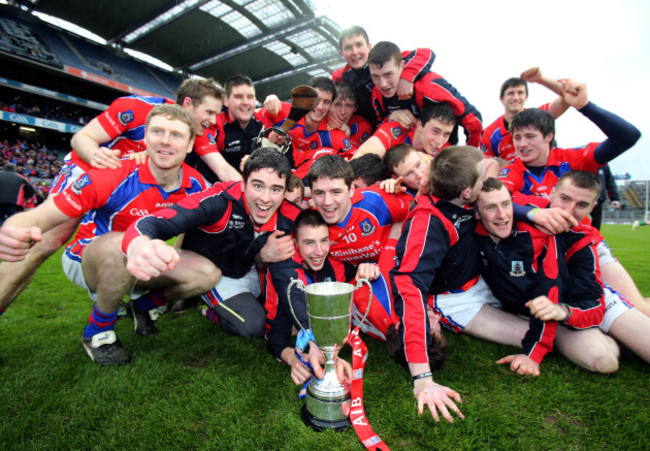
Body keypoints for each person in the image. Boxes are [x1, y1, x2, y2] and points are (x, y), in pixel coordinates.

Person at [0, 77, 239, 324]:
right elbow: (81, 139)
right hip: (92, 170)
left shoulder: (195, 131)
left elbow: (223, 171)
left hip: (128, 185)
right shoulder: (135, 108)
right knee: (46, 240)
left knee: (128, 240)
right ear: (188, 103)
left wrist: (252, 193)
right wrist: (103, 160)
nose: (213, 120)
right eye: (210, 111)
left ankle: (116, 293)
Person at [0, 105, 215, 364]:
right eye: (158, 131)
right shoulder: (112, 174)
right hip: (89, 258)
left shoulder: (196, 185)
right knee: (123, 244)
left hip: (140, 262)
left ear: (191, 144)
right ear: (145, 136)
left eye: (176, 135)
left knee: (208, 273)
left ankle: (142, 308)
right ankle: (98, 332)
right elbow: (39, 215)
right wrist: (13, 227)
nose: (165, 141)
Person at [122, 148, 301, 338]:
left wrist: (263, 257)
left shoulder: (290, 213)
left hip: (250, 268)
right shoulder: (217, 201)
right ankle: (187, 305)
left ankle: (193, 299)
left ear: (283, 192)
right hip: (218, 273)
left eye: (275, 189)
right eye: (258, 186)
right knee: (255, 326)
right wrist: (140, 244)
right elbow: (150, 223)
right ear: (243, 184)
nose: (266, 198)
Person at [474, 178, 620, 375]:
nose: (568, 210)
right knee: (603, 358)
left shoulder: (579, 241)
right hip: (543, 310)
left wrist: (562, 314)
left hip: (579, 306)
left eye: (581, 205)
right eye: (565, 199)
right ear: (551, 194)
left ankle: (611, 335)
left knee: (605, 360)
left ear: (592, 208)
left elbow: (557, 293)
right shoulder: (527, 217)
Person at [307, 154, 412, 340]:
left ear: (351, 189)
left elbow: (417, 214)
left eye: (336, 192)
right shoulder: (312, 226)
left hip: (398, 262)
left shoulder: (377, 201)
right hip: (362, 275)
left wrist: (391, 252)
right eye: (319, 193)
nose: (327, 202)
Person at [264, 209, 374, 384]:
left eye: (324, 241)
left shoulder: (335, 261)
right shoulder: (283, 270)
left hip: (314, 325)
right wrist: (293, 358)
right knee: (251, 326)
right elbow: (275, 334)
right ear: (296, 243)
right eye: (309, 243)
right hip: (277, 313)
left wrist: (369, 267)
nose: (319, 251)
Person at [499, 79, 641, 198]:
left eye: (530, 136)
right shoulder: (512, 170)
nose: (522, 144)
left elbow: (628, 137)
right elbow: (499, 200)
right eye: (517, 137)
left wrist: (586, 107)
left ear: (549, 136)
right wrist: (537, 211)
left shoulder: (571, 160)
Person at [368, 41, 482, 147]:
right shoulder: (377, 94)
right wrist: (390, 117)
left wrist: (469, 155)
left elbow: (473, 120)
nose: (382, 84)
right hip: (404, 155)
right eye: (375, 76)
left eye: (388, 74)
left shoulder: (428, 87)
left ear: (402, 66)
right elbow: (378, 126)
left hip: (441, 154)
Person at [332, 25, 435, 127]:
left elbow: (425, 53)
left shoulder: (384, 60)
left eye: (359, 45)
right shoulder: (340, 76)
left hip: (401, 121)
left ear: (369, 47)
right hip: (365, 128)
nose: (355, 52)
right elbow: (325, 95)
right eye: (348, 48)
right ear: (342, 54)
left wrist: (406, 78)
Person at [262, 77, 352, 179]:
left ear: (331, 105)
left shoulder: (335, 135)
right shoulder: (284, 111)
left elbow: (352, 161)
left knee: (328, 154)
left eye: (326, 102)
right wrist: (270, 134)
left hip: (301, 183)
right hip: (272, 169)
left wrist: (347, 133)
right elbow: (254, 117)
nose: (320, 106)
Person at [188, 74, 266, 183]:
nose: (245, 102)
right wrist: (251, 193)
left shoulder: (262, 123)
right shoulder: (212, 123)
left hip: (247, 185)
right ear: (226, 101)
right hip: (209, 187)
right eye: (238, 97)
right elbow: (222, 170)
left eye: (250, 97)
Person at [481, 67, 569, 161]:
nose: (515, 97)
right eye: (511, 93)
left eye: (520, 93)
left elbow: (567, 96)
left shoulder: (538, 117)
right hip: (511, 173)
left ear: (526, 97)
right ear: (502, 99)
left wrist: (541, 79)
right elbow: (487, 166)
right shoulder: (489, 133)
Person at [353, 103, 457, 160]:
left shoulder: (446, 150)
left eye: (446, 134)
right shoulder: (398, 129)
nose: (439, 141)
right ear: (420, 125)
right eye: (435, 131)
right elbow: (363, 155)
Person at [327, 83, 372, 153]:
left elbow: (353, 158)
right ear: (329, 106)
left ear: (355, 108)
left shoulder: (362, 126)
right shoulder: (319, 121)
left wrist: (346, 134)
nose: (342, 112)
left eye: (348, 106)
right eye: (337, 104)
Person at [591, 164, 620, 230]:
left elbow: (610, 181)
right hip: (580, 202)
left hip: (597, 204)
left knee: (595, 230)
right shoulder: (580, 159)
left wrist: (615, 198)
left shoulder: (604, 164)